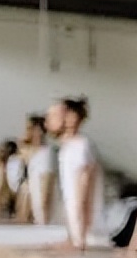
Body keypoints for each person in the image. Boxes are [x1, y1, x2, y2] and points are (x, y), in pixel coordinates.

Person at [45, 97, 108, 249]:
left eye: (56, 115)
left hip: (87, 224)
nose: (49, 120)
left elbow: (84, 186)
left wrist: (81, 237)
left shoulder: (81, 146)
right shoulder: (68, 147)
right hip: (76, 220)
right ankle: (75, 237)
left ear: (71, 118)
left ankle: (80, 238)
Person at [15, 115, 57, 225]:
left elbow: (47, 182)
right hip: (34, 202)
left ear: (38, 130)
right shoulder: (32, 151)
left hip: (43, 206)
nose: (26, 132)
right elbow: (22, 150)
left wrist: (44, 205)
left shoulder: (46, 154)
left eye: (29, 128)